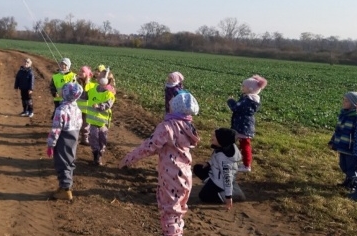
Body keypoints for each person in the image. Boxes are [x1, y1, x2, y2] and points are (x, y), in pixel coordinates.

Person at [119, 93, 201, 236]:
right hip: (185, 174)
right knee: (177, 212)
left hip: (171, 176)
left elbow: (149, 146)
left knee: (169, 212)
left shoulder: (167, 127)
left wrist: (129, 158)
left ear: (174, 108)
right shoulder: (188, 126)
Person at [46, 81, 84, 201]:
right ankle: (65, 186)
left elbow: (56, 129)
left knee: (61, 163)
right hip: (74, 138)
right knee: (69, 161)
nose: (61, 91)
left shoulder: (61, 110)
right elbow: (80, 124)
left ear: (66, 93)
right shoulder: (77, 108)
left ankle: (66, 190)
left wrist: (51, 144)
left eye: (63, 89)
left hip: (63, 139)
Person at [193, 128, 244, 211]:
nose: (212, 137)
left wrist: (228, 197)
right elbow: (216, 157)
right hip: (216, 174)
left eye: (214, 136)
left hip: (221, 182)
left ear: (222, 140)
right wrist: (209, 163)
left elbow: (227, 177)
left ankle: (232, 193)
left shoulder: (224, 160)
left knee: (203, 197)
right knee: (198, 168)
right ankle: (213, 184)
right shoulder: (226, 147)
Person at [227, 74, 267, 172]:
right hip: (244, 125)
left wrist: (230, 101)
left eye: (243, 86)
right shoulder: (250, 99)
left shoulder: (248, 100)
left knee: (244, 145)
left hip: (242, 126)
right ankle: (240, 161)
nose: (242, 87)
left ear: (250, 89)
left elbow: (236, 108)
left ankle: (246, 165)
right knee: (241, 143)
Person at [328, 91, 357, 190]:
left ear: (354, 104)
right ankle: (347, 180)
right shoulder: (343, 115)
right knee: (343, 165)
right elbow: (338, 130)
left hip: (350, 147)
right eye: (344, 100)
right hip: (342, 145)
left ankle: (353, 183)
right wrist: (332, 141)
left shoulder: (356, 117)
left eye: (346, 101)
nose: (344, 102)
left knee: (351, 166)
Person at [86, 77, 116, 166]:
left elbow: (108, 104)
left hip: (103, 122)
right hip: (93, 121)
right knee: (93, 136)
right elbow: (84, 95)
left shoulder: (109, 94)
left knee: (103, 138)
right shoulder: (92, 90)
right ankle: (96, 154)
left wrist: (99, 106)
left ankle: (100, 152)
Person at [75, 66, 97, 145]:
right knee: (77, 124)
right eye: (80, 71)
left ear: (87, 74)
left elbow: (89, 95)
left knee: (86, 125)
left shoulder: (92, 85)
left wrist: (87, 84)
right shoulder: (76, 82)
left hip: (88, 108)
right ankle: (75, 138)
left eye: (83, 71)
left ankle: (84, 138)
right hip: (77, 108)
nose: (80, 72)